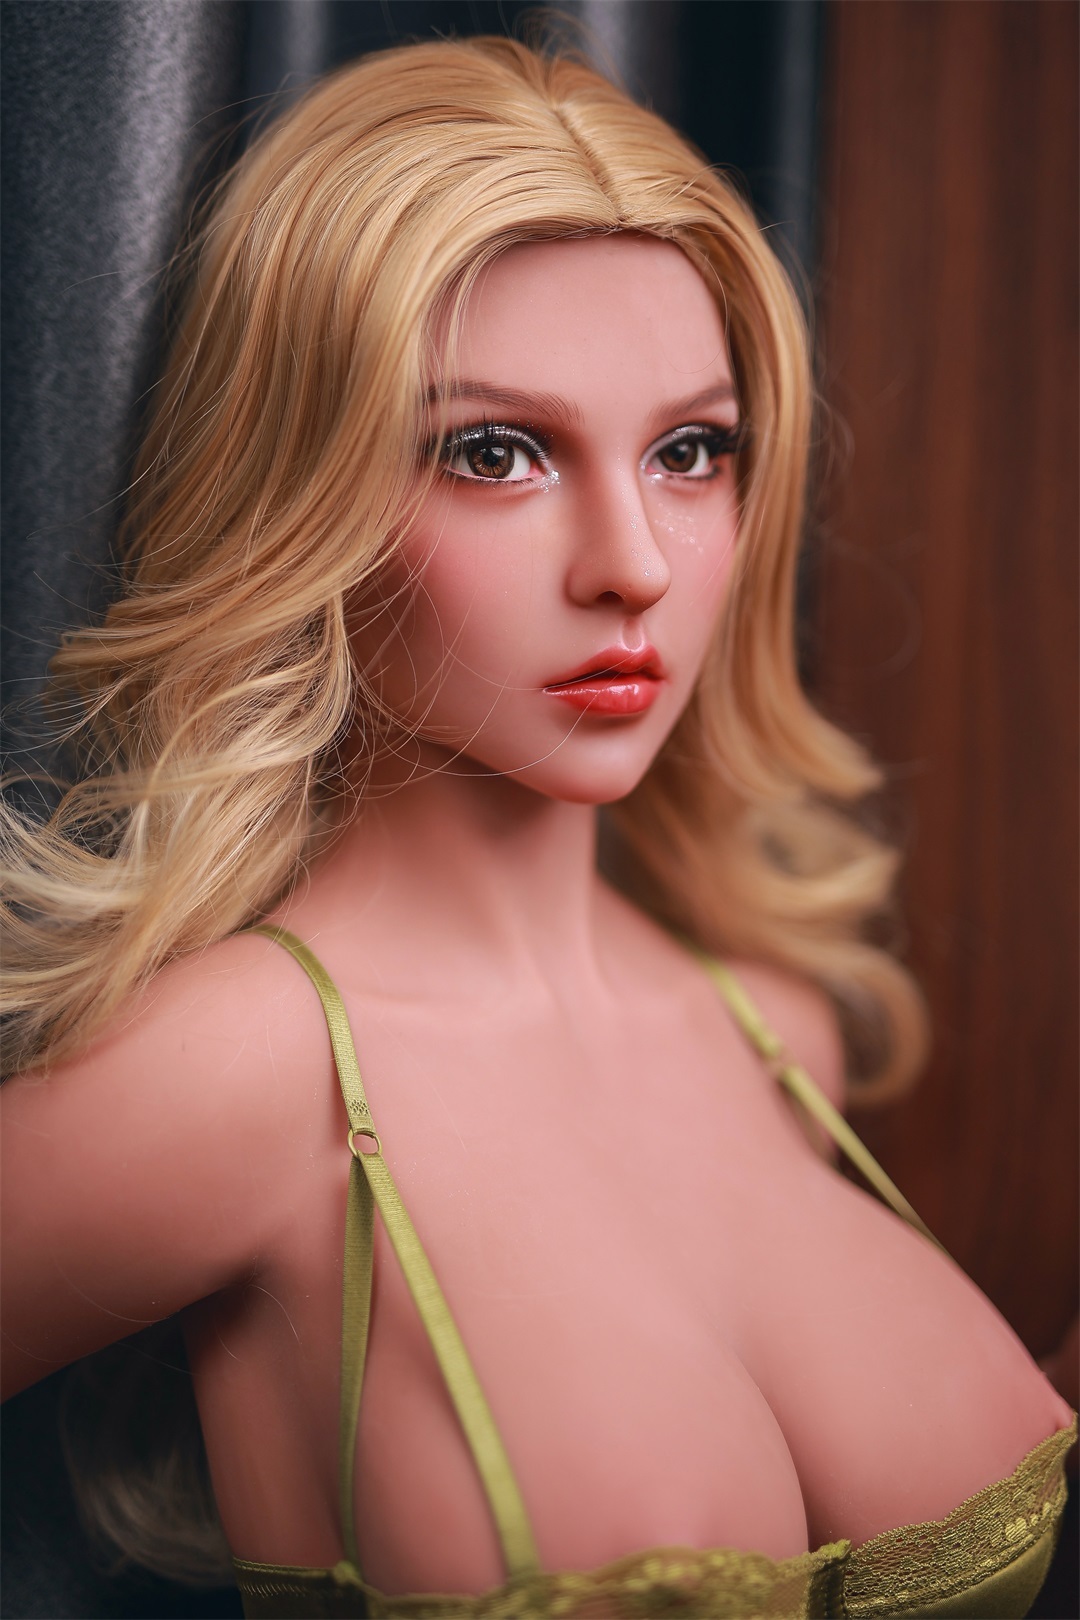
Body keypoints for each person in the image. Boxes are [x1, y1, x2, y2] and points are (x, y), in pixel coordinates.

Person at [1, 33, 1072, 1620]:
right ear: (304, 490)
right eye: (494, 452)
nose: (632, 562)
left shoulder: (775, 1032)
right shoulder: (239, 1077)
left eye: (691, 452)